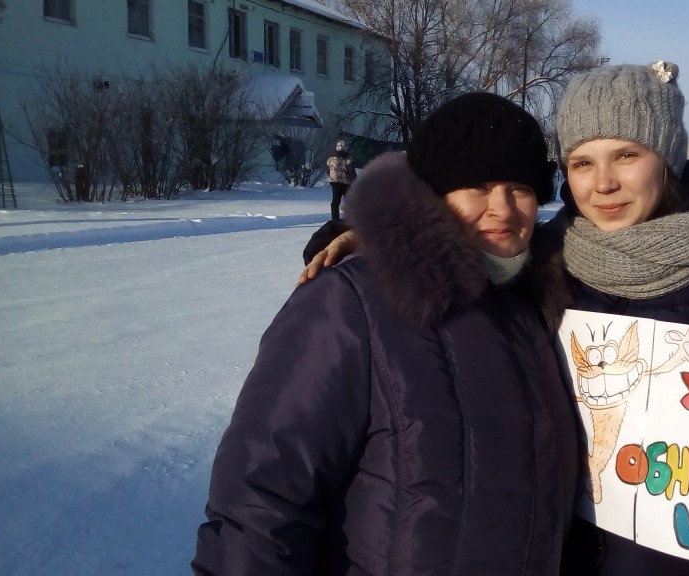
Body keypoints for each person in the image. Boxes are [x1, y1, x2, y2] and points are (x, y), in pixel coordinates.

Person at [299, 62, 689, 576]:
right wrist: (378, 238)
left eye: (627, 155)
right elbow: (461, 245)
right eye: (583, 163)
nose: (602, 183)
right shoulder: (545, 262)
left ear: (666, 158)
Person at [193, 92, 579, 575]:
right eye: (476, 186)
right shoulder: (350, 304)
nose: (502, 209)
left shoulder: (536, 303)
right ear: (435, 195)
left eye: (519, 188)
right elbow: (260, 504)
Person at [326, 138, 355, 220]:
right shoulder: (347, 157)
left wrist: (332, 176)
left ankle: (335, 219)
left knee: (335, 201)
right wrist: (354, 180)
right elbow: (351, 169)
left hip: (334, 181)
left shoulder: (330, 156)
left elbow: (328, 169)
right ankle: (350, 219)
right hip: (345, 181)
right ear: (344, 147)